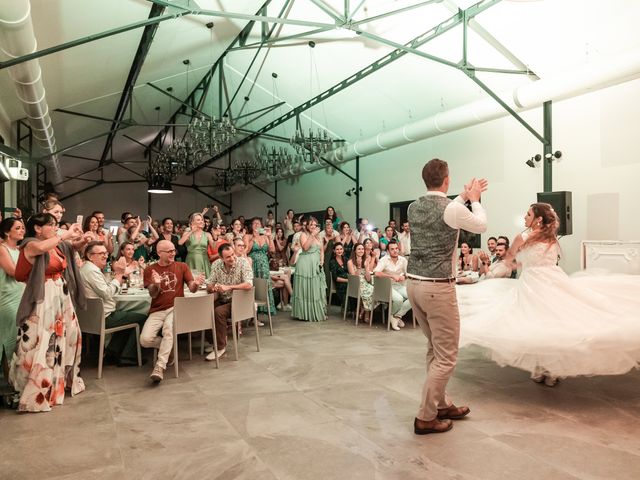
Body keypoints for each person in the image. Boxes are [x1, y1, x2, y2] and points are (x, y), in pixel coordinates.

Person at [459, 203, 640, 387]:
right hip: (553, 279)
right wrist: (522, 263)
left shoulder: (523, 236)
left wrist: (518, 264)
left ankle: (542, 368)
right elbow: (547, 261)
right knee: (553, 323)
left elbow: (509, 258)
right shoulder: (552, 238)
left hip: (534, 283)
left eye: (528, 214)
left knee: (536, 324)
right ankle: (549, 370)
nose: (524, 216)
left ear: (538, 219)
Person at [406, 158, 487, 435]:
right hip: (437, 287)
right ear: (447, 179)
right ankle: (426, 416)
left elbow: (445, 209)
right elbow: (480, 225)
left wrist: (463, 196)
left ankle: (441, 403)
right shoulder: (452, 208)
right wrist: (474, 199)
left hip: (413, 283)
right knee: (447, 356)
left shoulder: (413, 206)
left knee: (434, 348)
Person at [10, 214, 87, 412]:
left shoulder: (55, 245)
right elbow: (43, 248)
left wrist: (82, 240)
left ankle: (59, 382)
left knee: (69, 336)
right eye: (51, 225)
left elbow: (69, 250)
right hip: (43, 297)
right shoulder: (30, 244)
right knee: (45, 340)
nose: (55, 228)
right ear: (37, 228)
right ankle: (38, 389)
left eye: (55, 225)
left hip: (60, 295)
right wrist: (65, 234)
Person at [141, 240, 205, 383]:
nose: (173, 253)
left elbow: (192, 289)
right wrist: (156, 283)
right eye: (169, 251)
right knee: (145, 340)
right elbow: (152, 294)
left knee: (168, 330)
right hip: (157, 310)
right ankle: (169, 349)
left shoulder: (182, 266)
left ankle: (159, 366)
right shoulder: (150, 270)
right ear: (159, 253)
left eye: (173, 250)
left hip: (176, 307)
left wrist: (197, 284)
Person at [81, 241, 146, 366]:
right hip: (102, 317)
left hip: (90, 317)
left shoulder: (87, 268)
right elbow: (107, 293)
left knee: (127, 316)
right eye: (101, 253)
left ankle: (112, 351)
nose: (105, 256)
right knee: (141, 317)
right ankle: (128, 357)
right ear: (90, 256)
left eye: (105, 253)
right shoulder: (92, 271)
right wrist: (119, 276)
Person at [205, 243, 254, 361]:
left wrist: (229, 287)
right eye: (228, 257)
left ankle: (221, 348)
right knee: (206, 308)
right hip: (223, 299)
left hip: (240, 301)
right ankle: (215, 343)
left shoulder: (242, 263)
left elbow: (249, 284)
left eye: (233, 255)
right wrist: (213, 288)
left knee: (218, 312)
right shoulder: (216, 264)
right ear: (221, 258)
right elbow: (210, 285)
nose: (232, 258)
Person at [0, 218, 25, 405]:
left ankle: (17, 384)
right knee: (9, 340)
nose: (22, 230)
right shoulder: (2, 249)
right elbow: (12, 271)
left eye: (22, 227)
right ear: (7, 232)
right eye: (17, 228)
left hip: (22, 296)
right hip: (8, 298)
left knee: (19, 340)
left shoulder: (20, 250)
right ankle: (10, 386)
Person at [291, 217, 326, 322]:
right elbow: (305, 247)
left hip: (316, 264)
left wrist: (322, 261)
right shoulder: (303, 235)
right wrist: (312, 235)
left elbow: (322, 250)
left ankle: (317, 311)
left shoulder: (319, 237)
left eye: (315, 225)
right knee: (306, 288)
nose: (314, 227)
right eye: (311, 225)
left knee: (316, 288)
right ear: (307, 226)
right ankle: (305, 313)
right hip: (305, 264)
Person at [374, 241, 411, 330]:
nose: (395, 251)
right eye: (392, 249)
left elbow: (408, 273)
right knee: (399, 299)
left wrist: (403, 276)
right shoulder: (384, 260)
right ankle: (394, 318)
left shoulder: (403, 260)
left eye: (396, 249)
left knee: (413, 297)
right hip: (387, 286)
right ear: (388, 251)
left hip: (399, 285)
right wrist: (392, 276)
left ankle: (396, 317)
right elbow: (376, 273)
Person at [244, 217, 276, 315]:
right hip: (253, 264)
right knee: (255, 287)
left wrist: (270, 237)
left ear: (262, 226)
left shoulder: (265, 237)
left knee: (264, 286)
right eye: (254, 223)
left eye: (259, 223)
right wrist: (253, 238)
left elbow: (272, 251)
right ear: (251, 226)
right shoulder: (247, 236)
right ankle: (253, 316)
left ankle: (264, 309)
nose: (257, 225)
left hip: (264, 265)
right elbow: (245, 252)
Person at [180, 212, 215, 278]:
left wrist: (215, 237)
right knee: (192, 281)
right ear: (192, 222)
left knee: (205, 282)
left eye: (202, 220)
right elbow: (180, 242)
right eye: (198, 220)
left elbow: (213, 247)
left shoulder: (207, 234)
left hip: (204, 260)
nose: (201, 221)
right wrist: (192, 231)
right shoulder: (188, 233)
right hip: (191, 260)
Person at [347, 243, 374, 324]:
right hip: (356, 284)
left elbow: (368, 279)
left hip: (366, 282)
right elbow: (354, 277)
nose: (361, 250)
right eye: (359, 249)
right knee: (369, 291)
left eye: (362, 249)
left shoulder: (366, 260)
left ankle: (363, 310)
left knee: (374, 289)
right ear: (355, 250)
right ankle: (366, 313)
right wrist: (358, 266)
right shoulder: (350, 262)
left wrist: (366, 267)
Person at [329, 242, 349, 307]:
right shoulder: (332, 262)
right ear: (334, 251)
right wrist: (347, 281)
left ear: (343, 250)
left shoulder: (346, 259)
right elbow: (336, 278)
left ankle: (357, 309)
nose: (339, 251)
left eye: (341, 249)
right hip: (340, 284)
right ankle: (348, 308)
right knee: (347, 287)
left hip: (348, 281)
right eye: (337, 249)